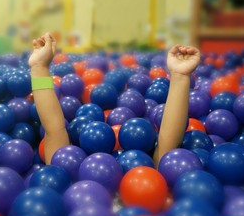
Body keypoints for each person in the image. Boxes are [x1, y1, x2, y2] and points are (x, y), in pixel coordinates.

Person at [28, 33, 200, 167]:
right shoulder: (67, 178)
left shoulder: (141, 177)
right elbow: (54, 130)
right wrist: (38, 67)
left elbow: (168, 145)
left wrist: (180, 76)